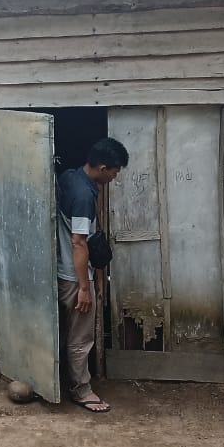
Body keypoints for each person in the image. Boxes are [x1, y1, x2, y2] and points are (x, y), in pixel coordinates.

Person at [56, 137, 129, 413]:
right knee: (81, 336)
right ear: (102, 168)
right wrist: (84, 288)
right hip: (74, 276)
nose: (114, 177)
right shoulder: (84, 196)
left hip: (63, 271)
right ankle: (81, 389)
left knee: (68, 332)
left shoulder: (70, 177)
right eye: (115, 172)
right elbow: (78, 242)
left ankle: (65, 380)